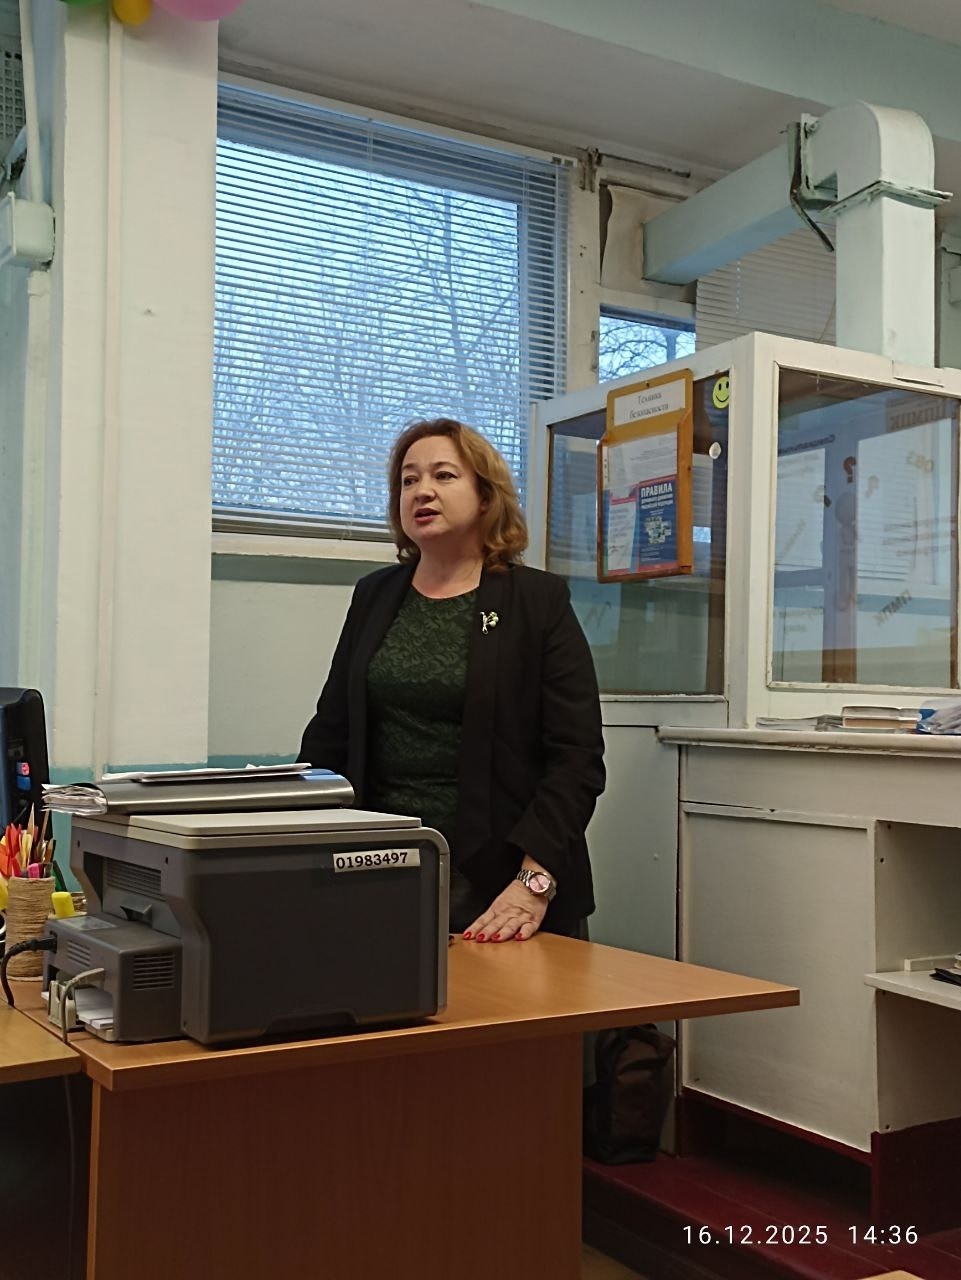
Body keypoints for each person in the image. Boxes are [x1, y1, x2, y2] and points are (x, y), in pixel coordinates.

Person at [300, 417, 605, 941]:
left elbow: (576, 759)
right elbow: (330, 734)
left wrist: (532, 883)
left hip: (503, 880)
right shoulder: (374, 595)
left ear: (486, 496)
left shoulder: (537, 600)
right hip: (383, 868)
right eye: (408, 480)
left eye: (443, 475)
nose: (422, 491)